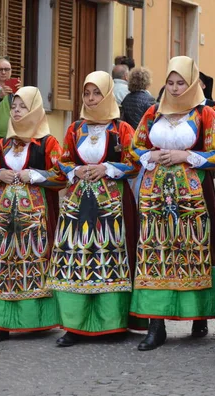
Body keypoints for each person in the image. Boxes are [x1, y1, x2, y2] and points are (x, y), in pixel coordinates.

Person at [129, 56, 215, 351]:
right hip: (155, 194)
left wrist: (186, 156)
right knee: (155, 252)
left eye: (180, 82)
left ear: (193, 83)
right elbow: (136, 146)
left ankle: (198, 315)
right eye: (170, 82)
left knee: (191, 252)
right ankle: (155, 324)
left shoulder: (204, 115)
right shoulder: (152, 112)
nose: (174, 88)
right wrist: (151, 156)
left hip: (192, 197)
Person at [47, 71, 140, 347]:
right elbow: (62, 161)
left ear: (108, 95)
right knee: (77, 260)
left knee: (109, 259)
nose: (91, 98)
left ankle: (112, 324)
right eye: (87, 93)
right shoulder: (75, 129)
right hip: (78, 204)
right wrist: (76, 170)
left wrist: (106, 168)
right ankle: (74, 326)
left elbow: (135, 163)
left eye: (97, 93)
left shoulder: (121, 129)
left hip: (112, 206)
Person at [0, 86, 67, 344]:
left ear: (35, 110)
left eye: (22, 107)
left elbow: (61, 175)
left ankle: (36, 320)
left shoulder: (48, 143)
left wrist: (35, 175)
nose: (16, 111)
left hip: (35, 221)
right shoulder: (2, 144)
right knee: (1, 266)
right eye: (13, 106)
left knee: (32, 264)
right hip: (3, 220)